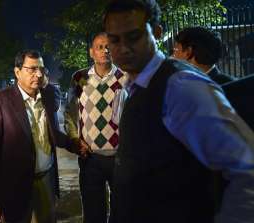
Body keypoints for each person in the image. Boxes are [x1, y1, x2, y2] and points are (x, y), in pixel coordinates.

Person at [103, 1, 254, 222]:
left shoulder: (180, 86)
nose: (123, 47)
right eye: (115, 39)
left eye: (133, 36)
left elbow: (246, 170)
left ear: (156, 32)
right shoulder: (136, 87)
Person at [0, 49, 79, 223]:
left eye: (41, 68)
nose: (39, 74)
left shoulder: (47, 96)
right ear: (17, 72)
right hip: (15, 185)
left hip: (46, 178)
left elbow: (53, 133)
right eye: (32, 69)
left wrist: (74, 144)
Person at [64, 32, 127, 223]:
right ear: (91, 52)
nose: (104, 50)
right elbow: (70, 113)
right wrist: (75, 140)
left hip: (121, 158)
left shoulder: (126, 77)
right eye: (99, 47)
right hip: (90, 158)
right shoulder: (80, 78)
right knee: (93, 214)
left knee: (124, 212)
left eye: (108, 46)